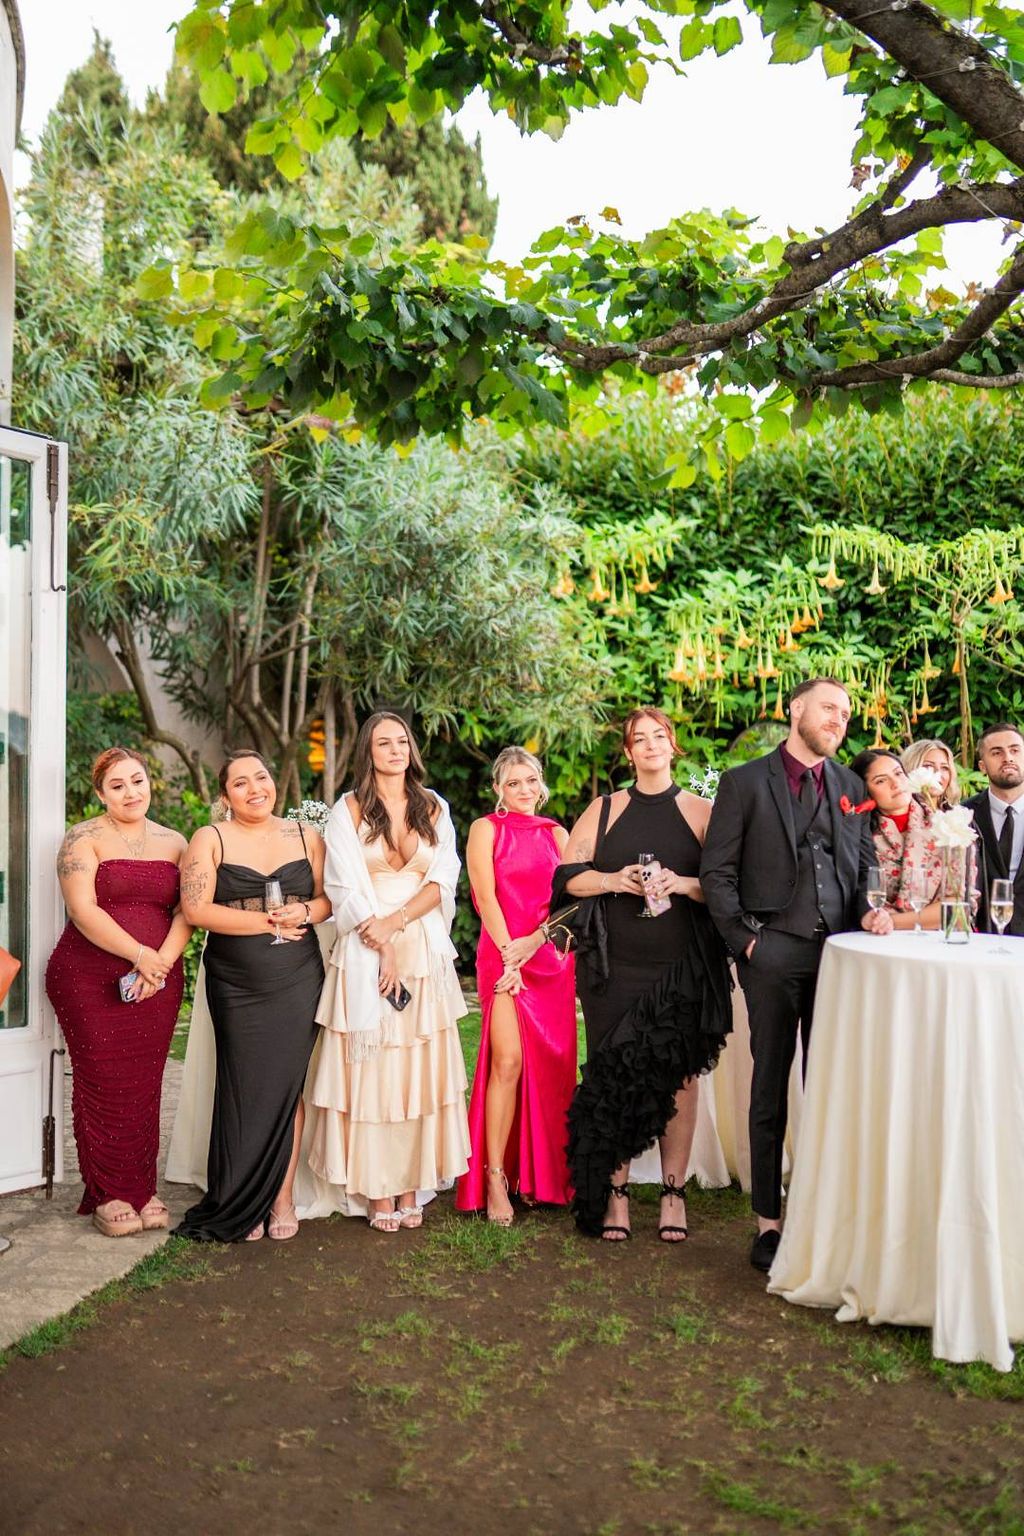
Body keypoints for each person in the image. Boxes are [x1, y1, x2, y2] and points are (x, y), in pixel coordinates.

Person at [700, 678, 893, 1273]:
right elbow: (717, 873)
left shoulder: (849, 786)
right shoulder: (744, 782)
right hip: (773, 953)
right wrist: (748, 944)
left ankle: (827, 1211)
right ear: (797, 709)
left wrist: (870, 909)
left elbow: (860, 866)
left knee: (832, 1085)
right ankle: (768, 1222)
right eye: (829, 708)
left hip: (838, 955)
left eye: (845, 714)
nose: (839, 720)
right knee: (770, 1084)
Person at [555, 708, 732, 1243]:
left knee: (679, 1078)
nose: (651, 745)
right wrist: (613, 878)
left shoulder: (703, 812)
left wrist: (681, 883)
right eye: (640, 738)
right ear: (628, 752)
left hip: (681, 969)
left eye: (659, 736)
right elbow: (567, 880)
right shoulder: (604, 809)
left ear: (672, 746)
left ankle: (674, 1194)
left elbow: (725, 889)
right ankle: (617, 1192)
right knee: (611, 1075)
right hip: (613, 969)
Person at [307, 712, 470, 1232]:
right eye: (384, 742)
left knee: (417, 1069)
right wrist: (380, 941)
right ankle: (377, 1190)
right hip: (365, 945)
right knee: (373, 1066)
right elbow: (343, 886)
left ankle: (408, 1184)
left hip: (422, 945)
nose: (395, 749)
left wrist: (400, 923)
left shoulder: (434, 806)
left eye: (402, 741)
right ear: (368, 752)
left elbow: (445, 876)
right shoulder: (348, 810)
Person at [176, 751, 329, 1242]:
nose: (254, 788)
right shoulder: (211, 838)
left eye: (261, 777)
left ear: (273, 782)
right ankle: (240, 1197)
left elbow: (329, 900)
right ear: (225, 796)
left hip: (297, 976)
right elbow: (196, 909)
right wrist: (264, 921)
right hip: (236, 980)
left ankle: (281, 1198)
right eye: (240, 783)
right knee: (242, 1083)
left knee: (287, 1085)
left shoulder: (306, 835)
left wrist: (304, 912)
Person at [46, 746, 191, 1237]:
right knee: (103, 1081)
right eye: (118, 786)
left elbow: (186, 911)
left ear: (150, 781)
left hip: (158, 978)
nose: (132, 792)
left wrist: (162, 963)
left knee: (146, 1083)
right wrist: (140, 956)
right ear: (101, 794)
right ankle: (108, 1192)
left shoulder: (176, 841)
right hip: (87, 977)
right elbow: (83, 909)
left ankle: (142, 1186)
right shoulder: (82, 838)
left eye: (138, 781)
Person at [455, 747, 575, 1224]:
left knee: (551, 1066)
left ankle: (540, 1177)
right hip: (503, 955)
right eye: (513, 783)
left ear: (540, 784)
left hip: (549, 959)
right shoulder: (487, 829)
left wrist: (535, 946)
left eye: (530, 781)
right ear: (498, 790)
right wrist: (510, 957)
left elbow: (571, 901)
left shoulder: (558, 835)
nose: (524, 790)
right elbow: (484, 895)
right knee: (507, 1061)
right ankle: (495, 1175)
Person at [849, 749, 943, 930]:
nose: (896, 783)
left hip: (942, 942)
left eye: (899, 773)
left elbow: (957, 907)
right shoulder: (860, 838)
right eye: (881, 780)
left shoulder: (947, 826)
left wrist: (892, 921)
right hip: (880, 941)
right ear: (865, 791)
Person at [964, 721, 1024, 935]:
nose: (1008, 757)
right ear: (982, 766)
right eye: (997, 752)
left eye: (1015, 750)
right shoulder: (962, 815)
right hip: (981, 936)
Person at [900, 738, 962, 809]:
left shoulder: (958, 814)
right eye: (928, 766)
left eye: (944, 768)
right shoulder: (901, 813)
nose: (938, 774)